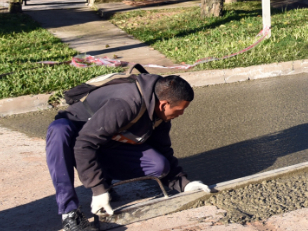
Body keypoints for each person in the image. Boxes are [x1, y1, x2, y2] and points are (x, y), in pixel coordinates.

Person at [46, 74, 208, 231]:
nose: (181, 114)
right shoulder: (126, 103)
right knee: (59, 131)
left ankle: (105, 180)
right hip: (77, 137)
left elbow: (163, 150)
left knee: (159, 165)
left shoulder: (159, 113)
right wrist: (97, 188)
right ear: (164, 104)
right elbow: (85, 143)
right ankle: (69, 213)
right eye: (180, 109)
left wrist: (184, 185)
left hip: (104, 141)